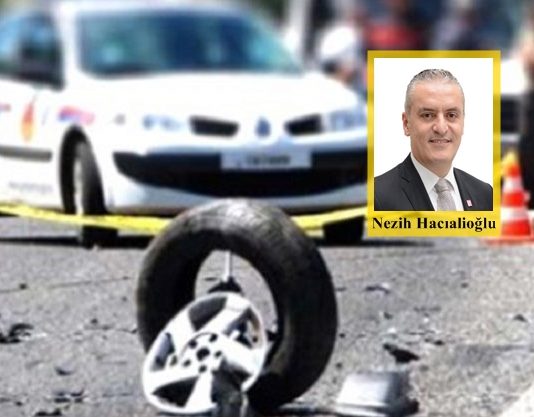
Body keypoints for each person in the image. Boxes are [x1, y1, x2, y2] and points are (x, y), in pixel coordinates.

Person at [374, 69, 493, 211]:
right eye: (428, 115)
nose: (441, 128)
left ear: (463, 122)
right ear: (406, 124)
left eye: (451, 115)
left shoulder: (485, 194)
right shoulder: (376, 197)